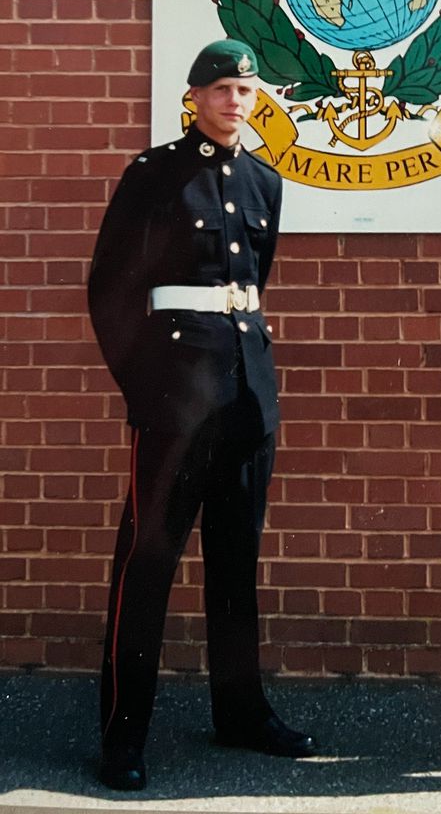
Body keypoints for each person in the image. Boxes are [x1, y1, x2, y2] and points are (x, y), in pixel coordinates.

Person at [88, 39, 318, 791]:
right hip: (174, 402)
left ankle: (241, 712)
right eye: (220, 89)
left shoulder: (265, 181)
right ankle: (124, 733)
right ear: (193, 98)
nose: (233, 102)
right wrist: (145, 391)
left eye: (245, 90)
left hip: (248, 398)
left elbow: (253, 286)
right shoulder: (155, 176)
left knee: (235, 565)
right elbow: (111, 292)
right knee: (146, 566)